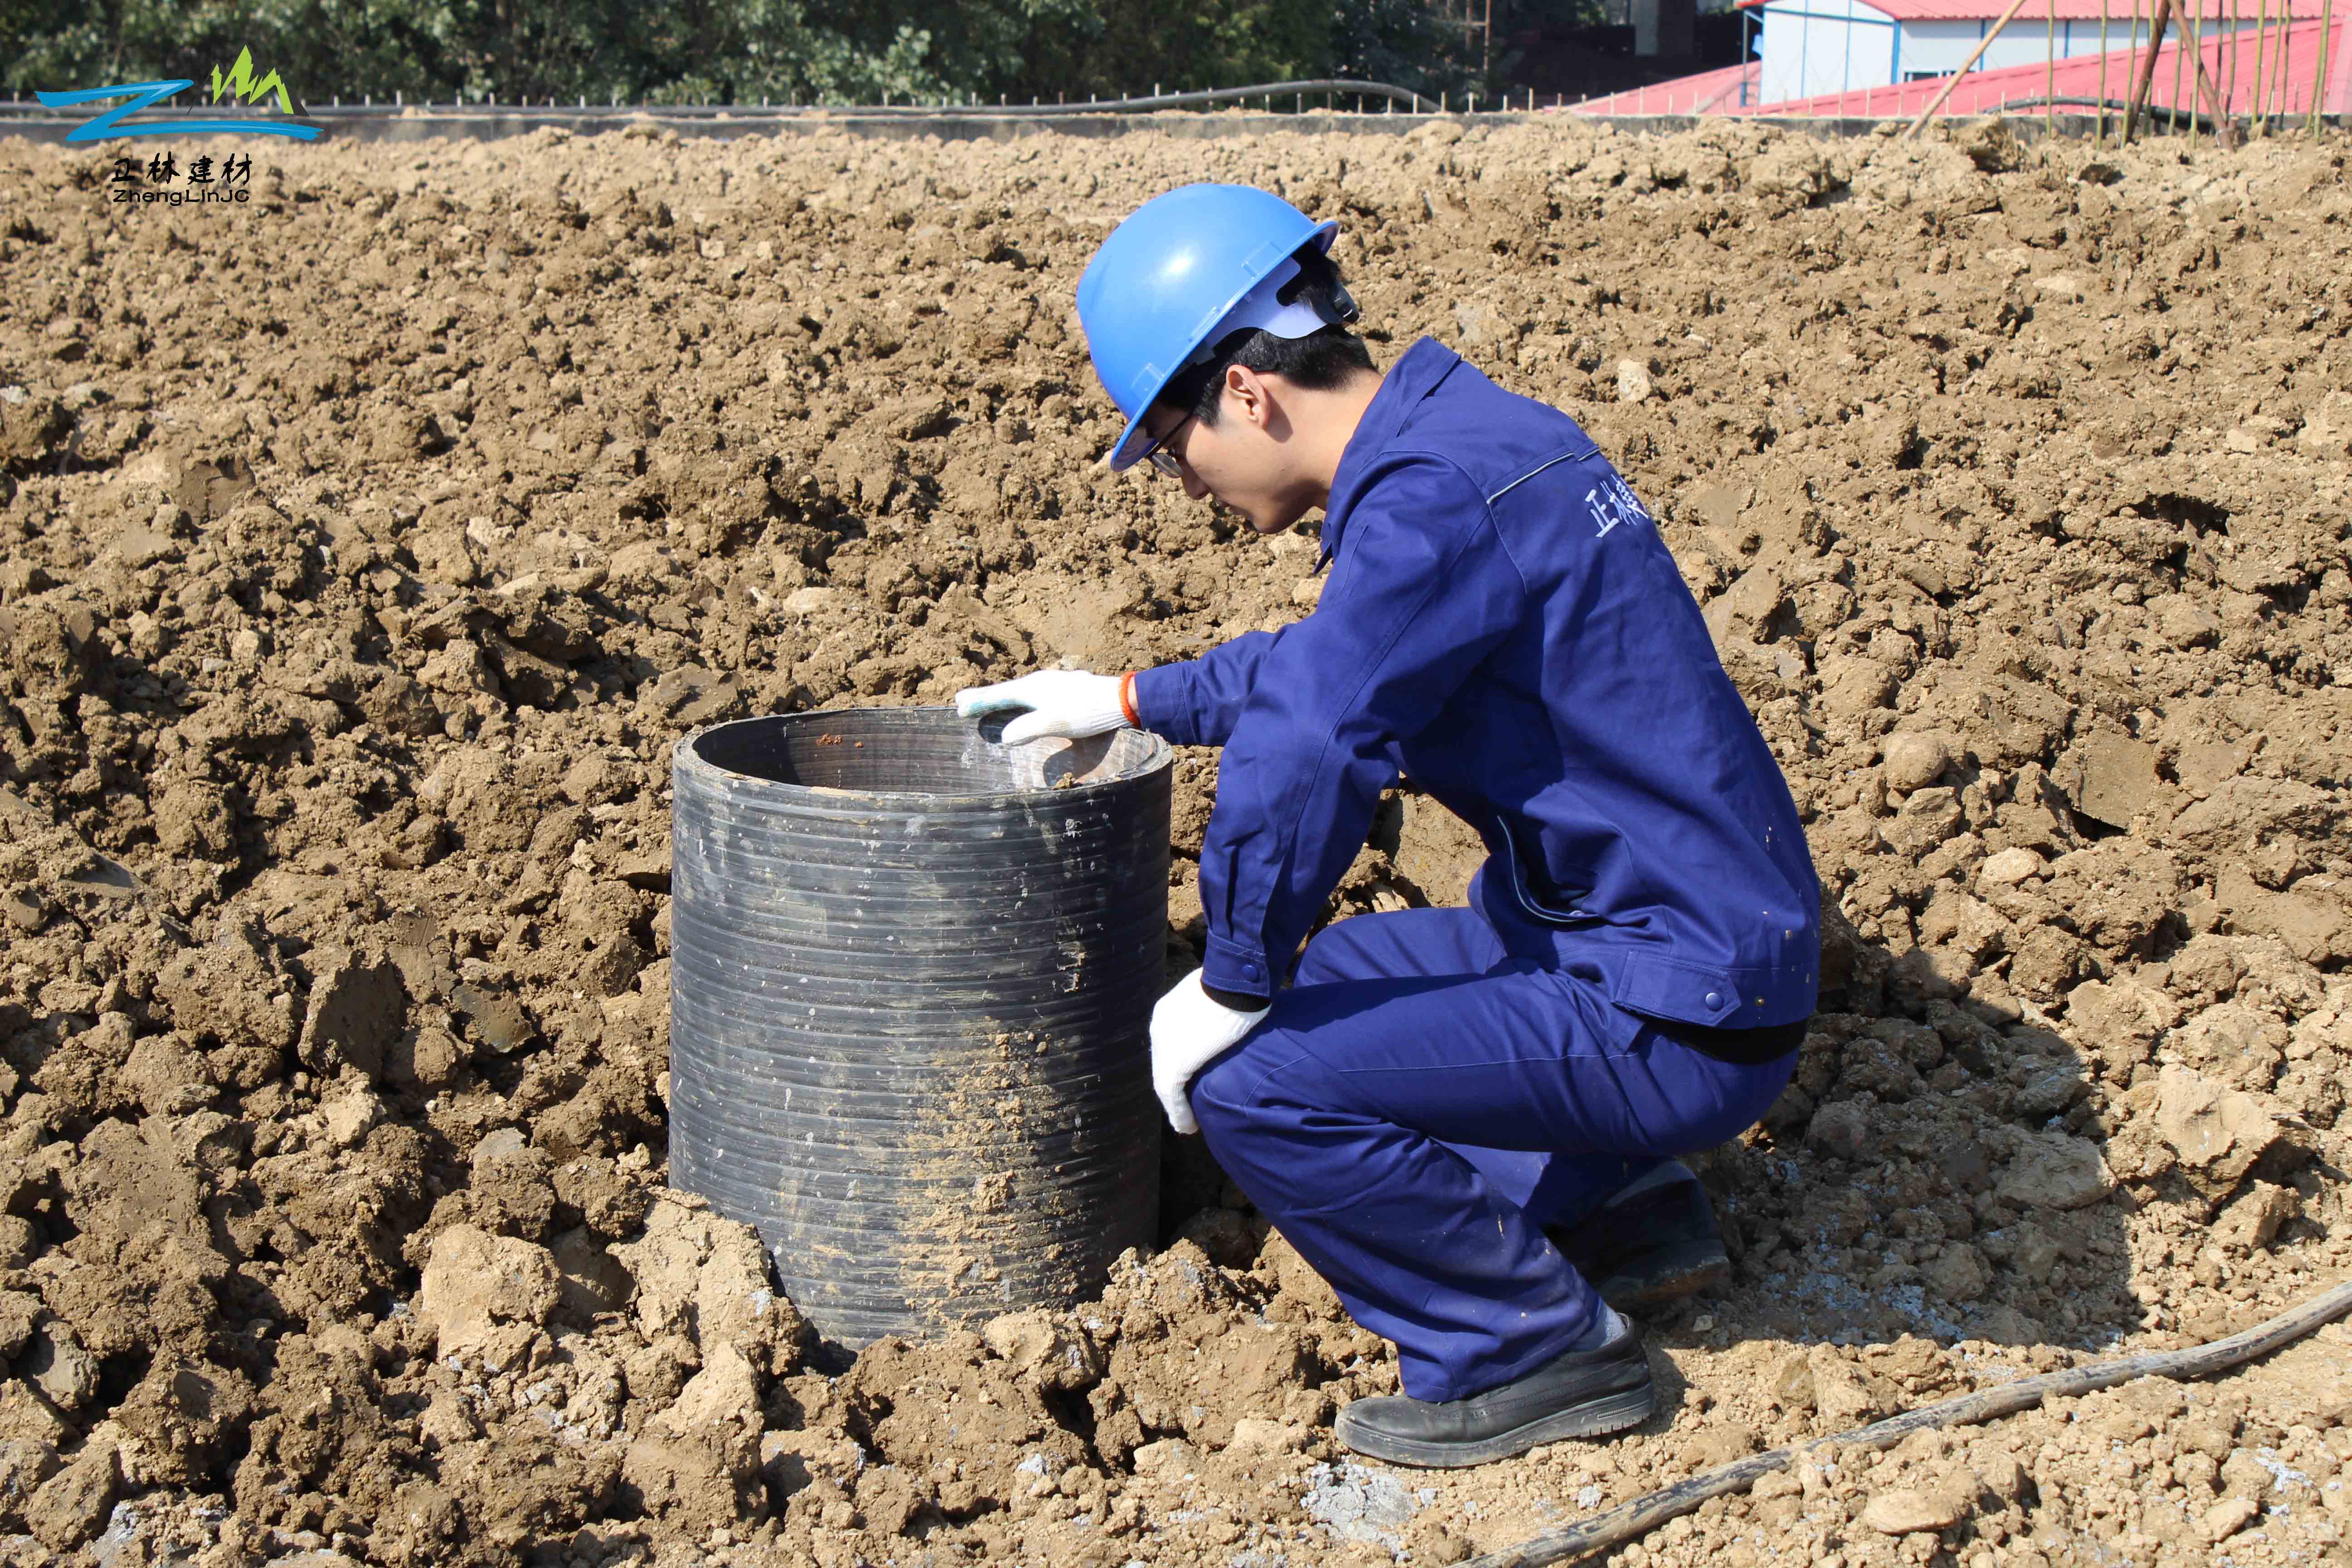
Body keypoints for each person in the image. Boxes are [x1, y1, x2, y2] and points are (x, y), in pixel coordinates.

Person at [956, 183, 1819, 1469]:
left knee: (1255, 1070)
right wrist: (1127, 697)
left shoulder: (1424, 504)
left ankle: (1528, 1348)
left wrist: (1238, 977)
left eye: (1171, 441)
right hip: (1662, 947)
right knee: (1343, 977)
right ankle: (1614, 1201)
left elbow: (1313, 737)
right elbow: (1336, 668)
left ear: (1247, 391)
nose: (1181, 481)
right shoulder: (1463, 444)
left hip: (1673, 1007)